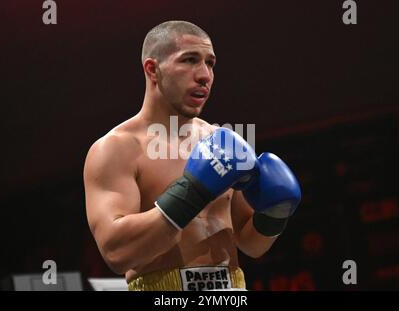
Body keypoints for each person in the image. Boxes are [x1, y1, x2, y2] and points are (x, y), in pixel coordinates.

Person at [83, 21, 301, 291]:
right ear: (153, 69)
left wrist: (274, 214)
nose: (204, 75)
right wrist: (193, 192)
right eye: (189, 60)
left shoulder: (222, 142)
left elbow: (251, 244)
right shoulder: (117, 148)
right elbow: (117, 252)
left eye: (210, 63)